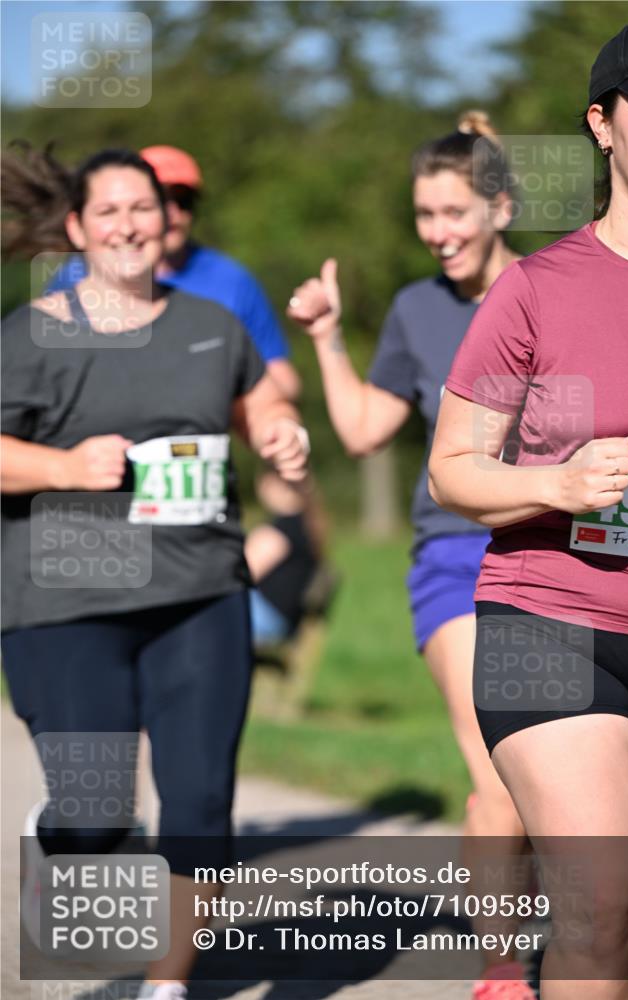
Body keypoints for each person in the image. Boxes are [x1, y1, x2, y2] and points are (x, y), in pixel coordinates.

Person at [1, 146, 309, 1000]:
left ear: (166, 219)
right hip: (67, 598)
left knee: (201, 798)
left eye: (144, 208)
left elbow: (262, 405)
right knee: (97, 815)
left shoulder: (210, 323)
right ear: (76, 228)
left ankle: (167, 986)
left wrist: (285, 433)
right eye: (109, 212)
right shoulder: (31, 335)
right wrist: (63, 469)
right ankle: (65, 834)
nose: (130, 225)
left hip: (200, 590)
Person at [428, 20, 628, 1000]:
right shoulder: (537, 288)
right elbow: (452, 470)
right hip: (552, 626)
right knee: (602, 904)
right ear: (601, 124)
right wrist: (555, 484)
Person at [287, 112, 538, 998]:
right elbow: (361, 431)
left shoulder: (554, 288)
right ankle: (502, 969)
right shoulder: (415, 309)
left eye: (453, 212)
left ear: (500, 207)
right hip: (455, 563)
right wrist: (324, 337)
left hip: (559, 558)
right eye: (423, 215)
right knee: (498, 764)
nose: (436, 233)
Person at [47, 143, 301, 400]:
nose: (174, 213)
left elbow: (282, 380)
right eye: (158, 201)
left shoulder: (231, 280)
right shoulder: (74, 279)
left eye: (183, 201)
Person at [245, 470, 326, 646]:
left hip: (266, 620)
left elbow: (239, 576)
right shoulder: (307, 527)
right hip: (283, 621)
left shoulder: (277, 532)